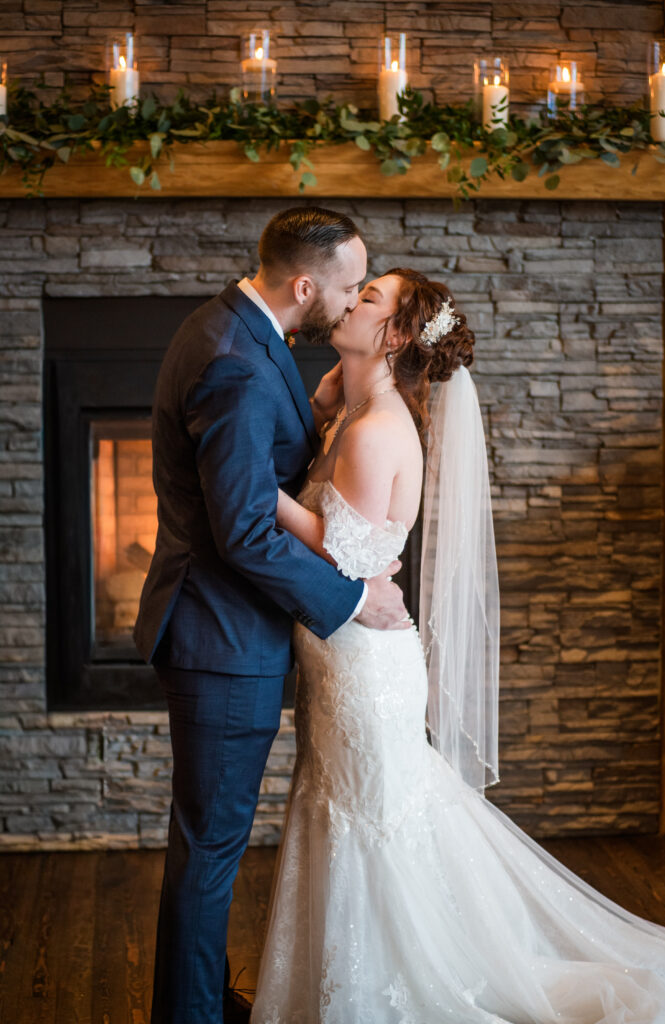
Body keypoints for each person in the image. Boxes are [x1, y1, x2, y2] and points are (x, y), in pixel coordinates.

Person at [251, 268, 665, 1023]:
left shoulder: (381, 426)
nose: (350, 301)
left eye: (370, 298)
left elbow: (343, 559)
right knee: (351, 812)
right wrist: (321, 404)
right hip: (343, 656)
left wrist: (258, 492)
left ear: (393, 336)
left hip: (363, 666)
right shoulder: (355, 414)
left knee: (369, 820)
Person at [133, 207, 410, 1024]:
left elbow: (250, 468)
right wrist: (354, 600)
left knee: (207, 846)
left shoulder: (233, 328)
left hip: (219, 630)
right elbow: (248, 527)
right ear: (303, 286)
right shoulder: (240, 365)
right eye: (350, 285)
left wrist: (317, 407)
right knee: (211, 849)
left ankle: (201, 997)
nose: (355, 297)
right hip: (220, 639)